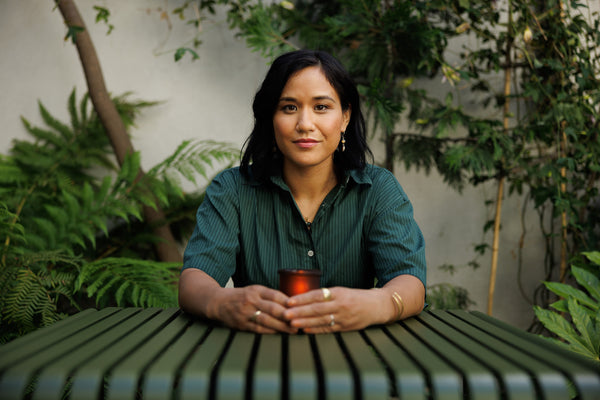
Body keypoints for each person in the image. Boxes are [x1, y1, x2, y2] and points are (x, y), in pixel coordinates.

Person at [179, 49, 426, 334]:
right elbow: (194, 280)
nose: (305, 125)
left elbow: (410, 281)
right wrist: (221, 301)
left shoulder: (377, 190)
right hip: (256, 356)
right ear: (271, 118)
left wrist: (376, 303)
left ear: (345, 117)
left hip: (356, 359)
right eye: (289, 108)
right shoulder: (232, 190)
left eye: (321, 107)